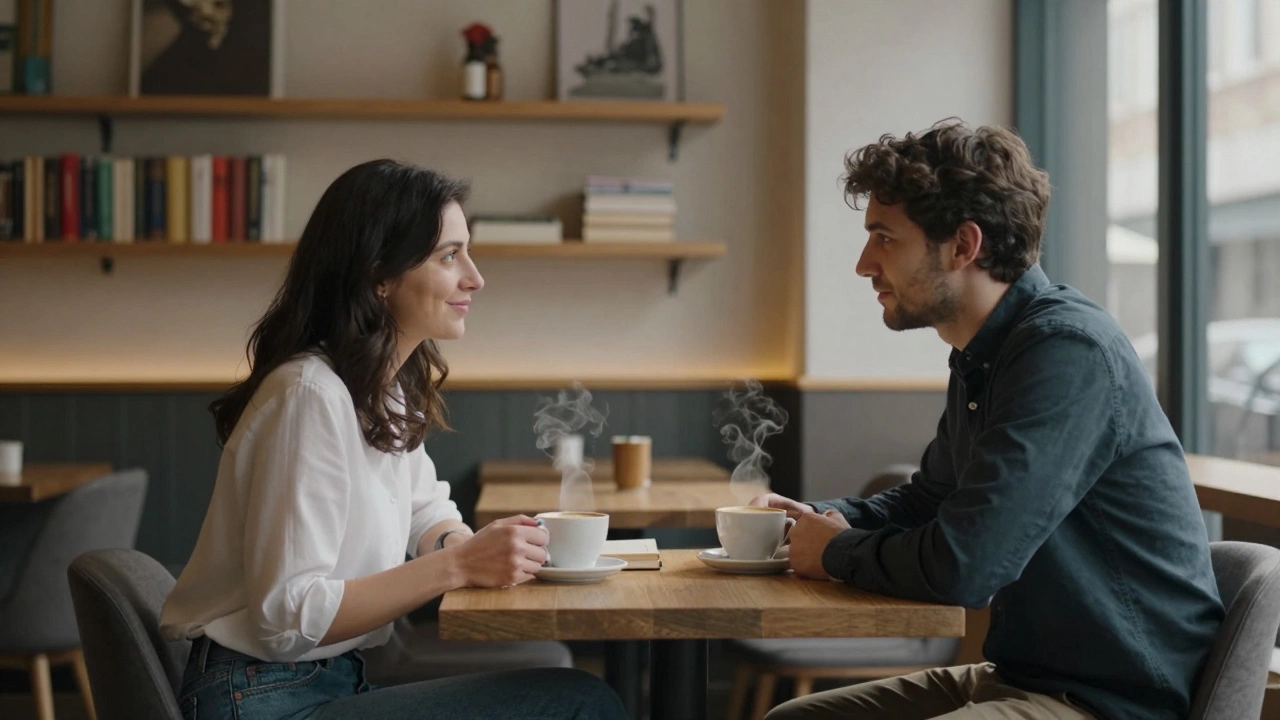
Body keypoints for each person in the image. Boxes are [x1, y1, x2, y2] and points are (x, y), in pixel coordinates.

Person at [755, 121, 1223, 720]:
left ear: (963, 245)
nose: (863, 264)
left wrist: (840, 551)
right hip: (1025, 677)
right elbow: (933, 498)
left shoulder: (1066, 352)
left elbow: (965, 567)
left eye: (884, 238)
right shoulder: (984, 353)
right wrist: (825, 520)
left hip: (1115, 700)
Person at [159, 160, 627, 720]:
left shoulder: (381, 388)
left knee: (574, 694)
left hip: (317, 684)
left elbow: (424, 511)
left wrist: (464, 545)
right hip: (262, 698)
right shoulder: (311, 395)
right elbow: (287, 615)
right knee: (579, 702)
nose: (475, 278)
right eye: (449, 256)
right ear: (379, 275)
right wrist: (460, 566)